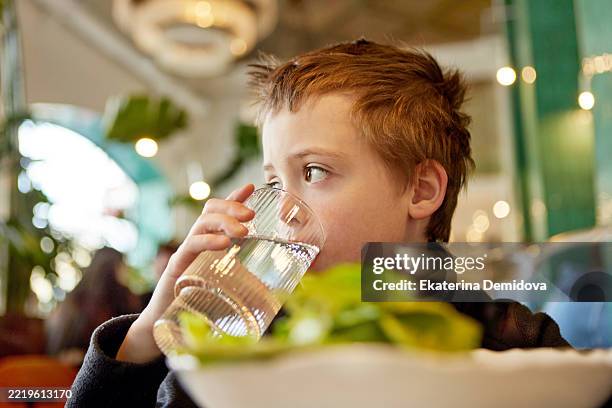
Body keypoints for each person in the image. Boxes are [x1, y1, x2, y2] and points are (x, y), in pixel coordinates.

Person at [68, 39, 569, 407]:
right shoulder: (250, 344)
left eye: (313, 172)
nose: (283, 208)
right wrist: (151, 325)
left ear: (421, 191)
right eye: (273, 180)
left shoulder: (514, 343)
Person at [46, 247, 141, 366]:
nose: (126, 271)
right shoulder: (118, 301)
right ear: (115, 267)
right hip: (87, 366)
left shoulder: (74, 297)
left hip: (63, 364)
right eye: (123, 266)